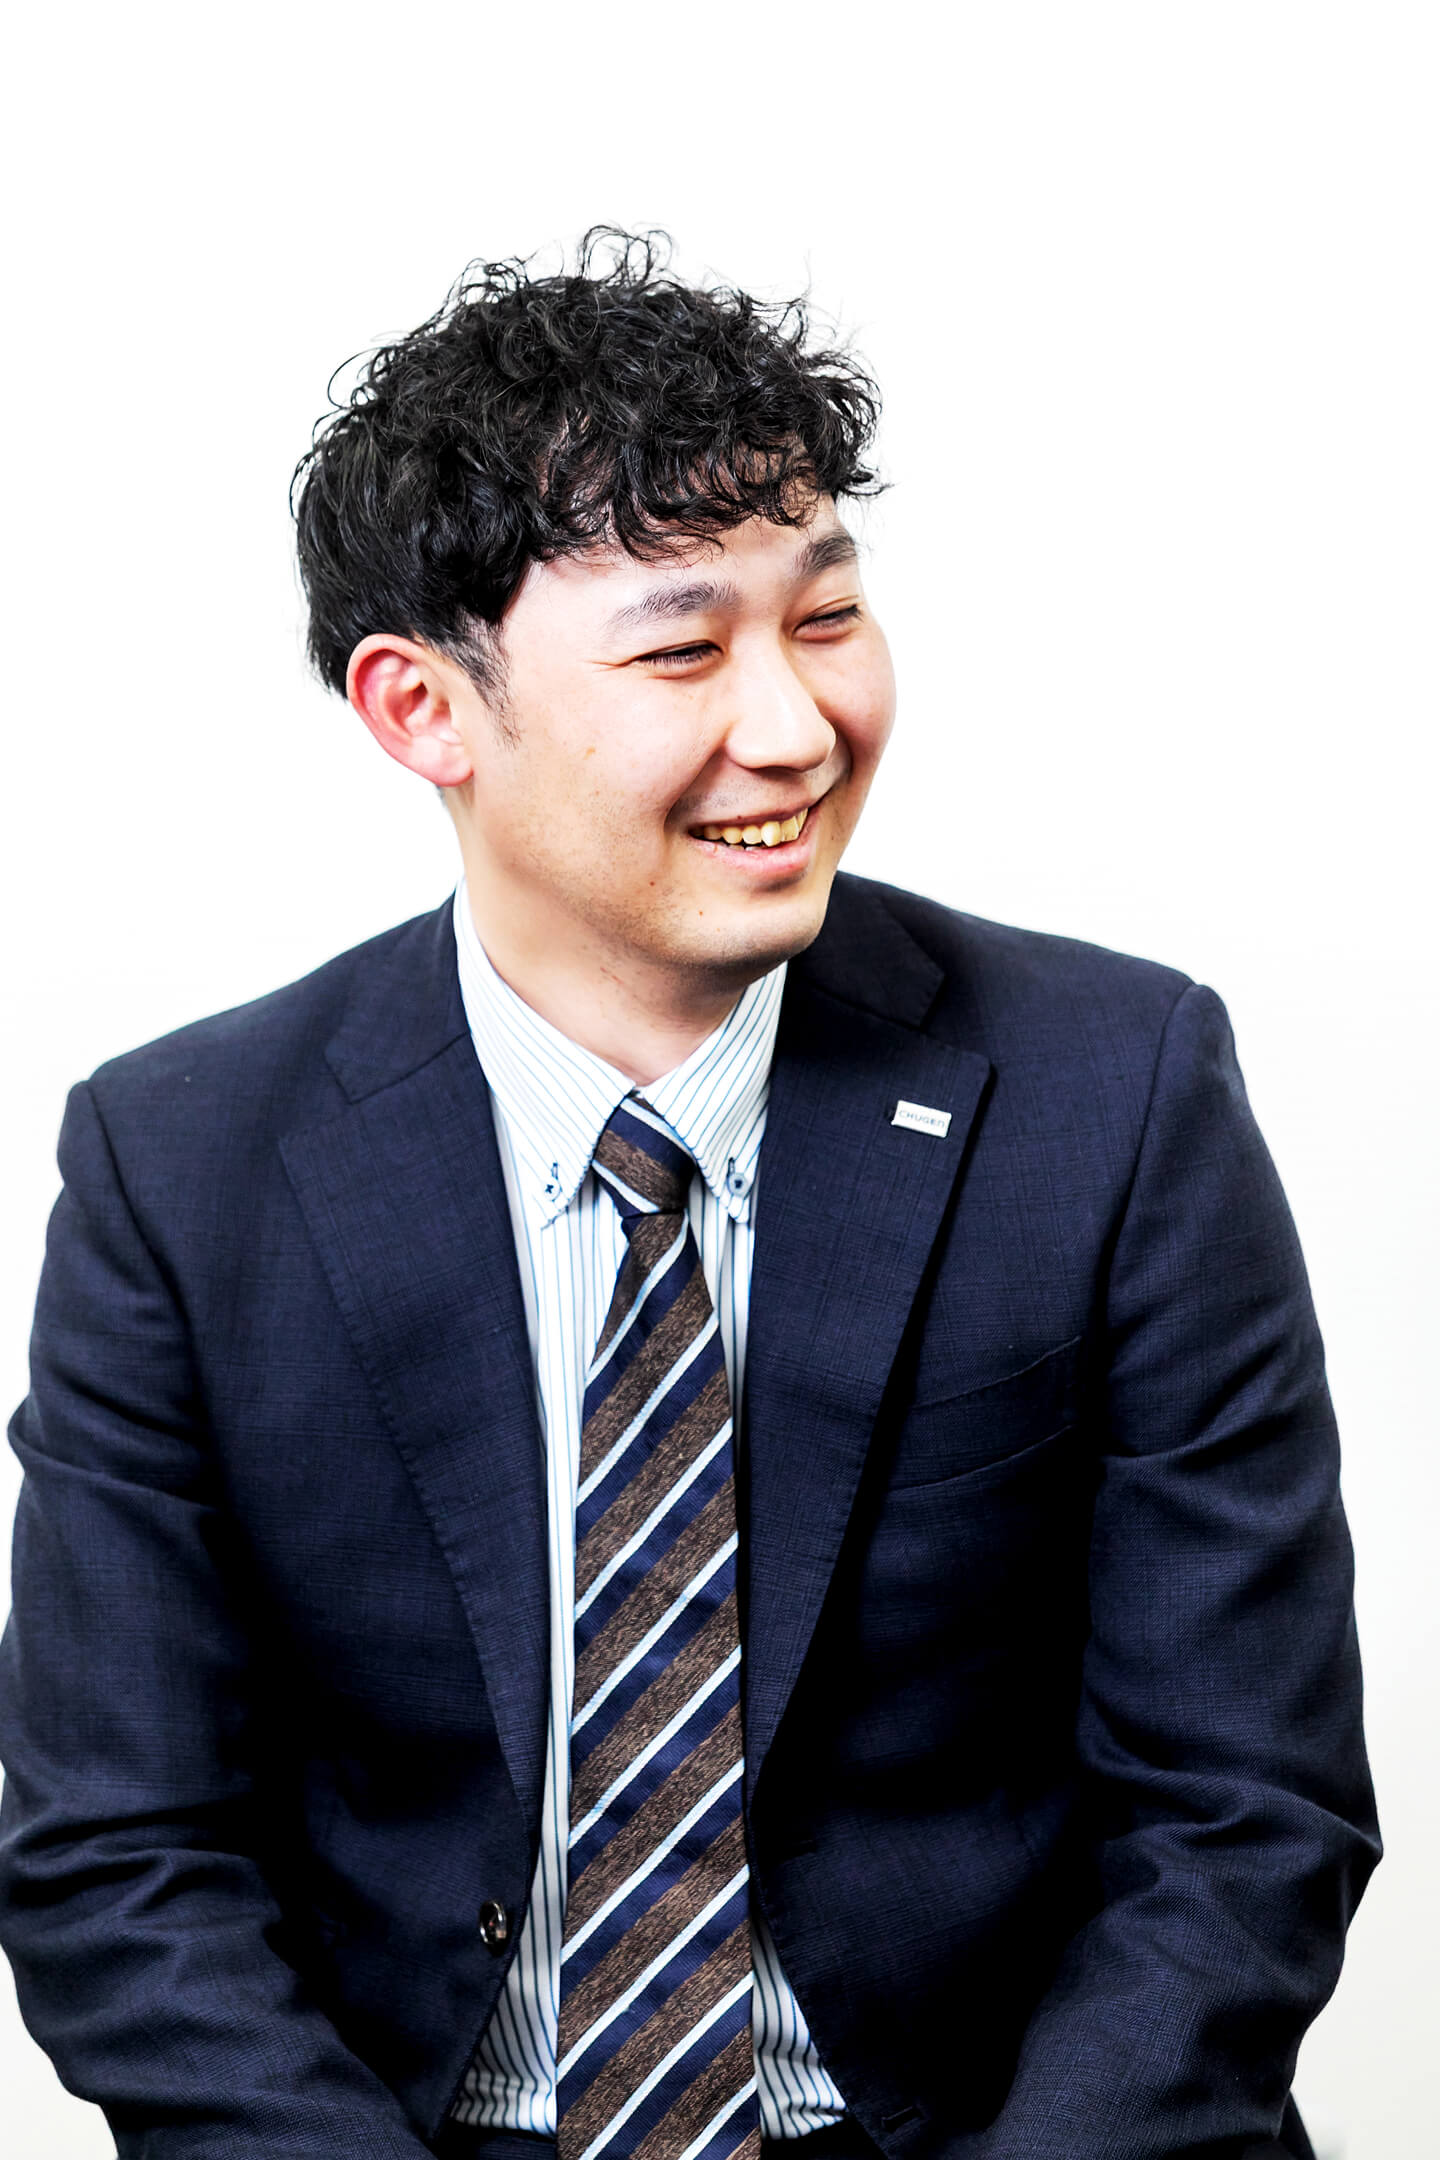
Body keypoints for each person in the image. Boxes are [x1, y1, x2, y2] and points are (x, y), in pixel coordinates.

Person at [0, 230, 1378, 2160]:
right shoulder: (181, 1165)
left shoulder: (1116, 1092)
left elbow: (1245, 1814)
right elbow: (118, 1855)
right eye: (681, 649)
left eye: (827, 618)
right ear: (422, 709)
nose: (797, 728)